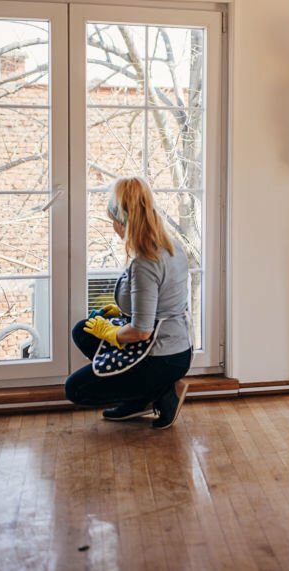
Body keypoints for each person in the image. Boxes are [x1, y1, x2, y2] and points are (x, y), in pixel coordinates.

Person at [64, 176, 193, 428]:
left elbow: (142, 331)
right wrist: (121, 311)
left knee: (76, 390)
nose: (112, 226)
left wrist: (112, 333)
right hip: (178, 347)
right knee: (84, 330)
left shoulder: (146, 261)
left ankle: (158, 393)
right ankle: (143, 397)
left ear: (122, 222)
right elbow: (157, 302)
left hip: (161, 356)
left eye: (113, 221)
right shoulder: (170, 244)